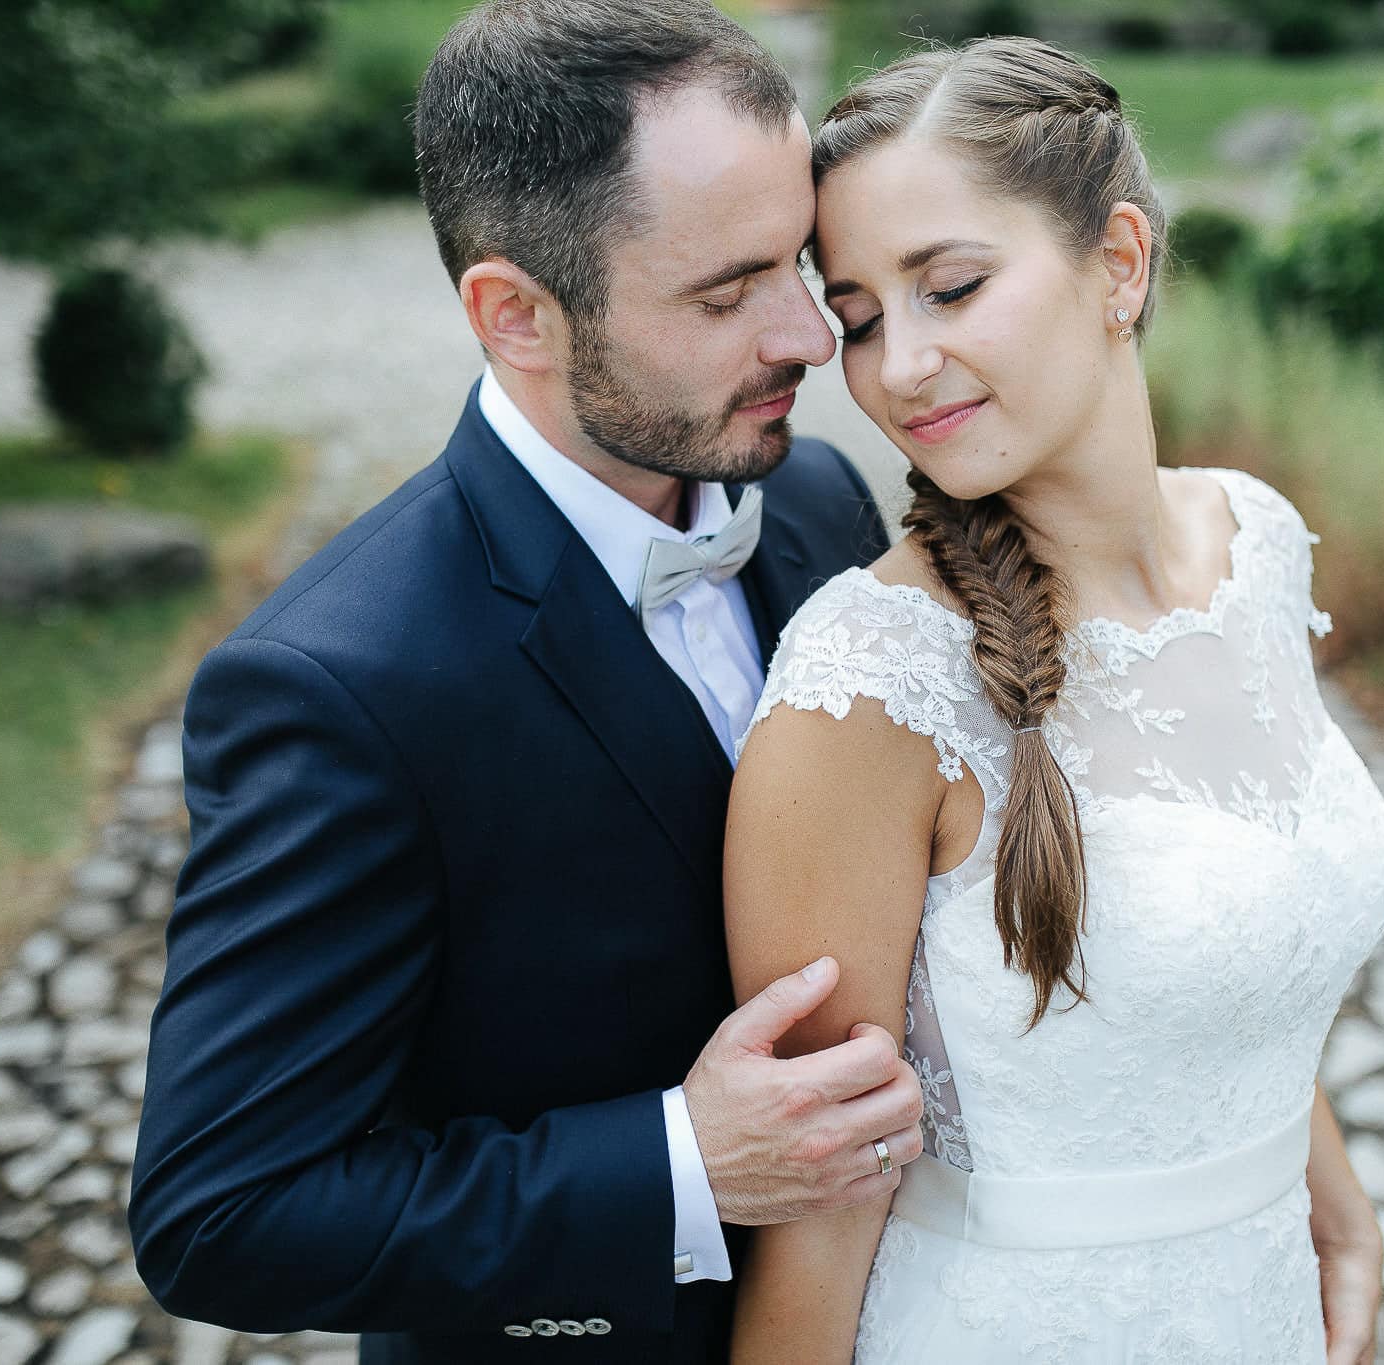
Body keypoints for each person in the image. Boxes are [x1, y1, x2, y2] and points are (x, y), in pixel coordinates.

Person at [126, 3, 919, 1361]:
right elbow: (219, 1209)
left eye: (799, 260)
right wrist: (682, 1162)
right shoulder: (337, 687)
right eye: (728, 293)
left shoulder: (821, 501)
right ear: (515, 315)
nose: (807, 335)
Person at [722, 36, 1384, 1364]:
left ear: (1123, 262)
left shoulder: (1257, 543)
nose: (898, 366)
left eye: (952, 287)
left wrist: (1338, 1213)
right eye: (859, 316)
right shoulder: (867, 686)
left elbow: (1234, 965)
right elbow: (819, 1204)